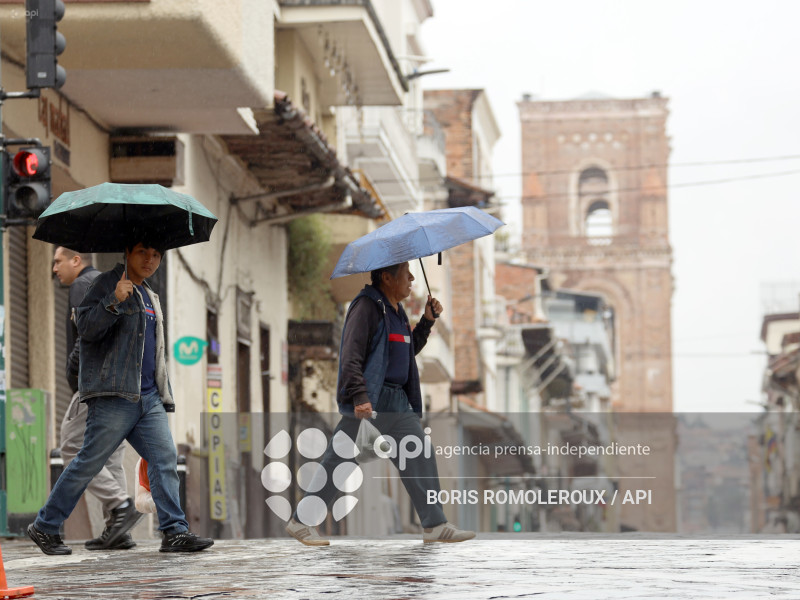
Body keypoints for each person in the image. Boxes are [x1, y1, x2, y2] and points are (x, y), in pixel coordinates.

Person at [28, 235, 214, 555]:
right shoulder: (102, 284)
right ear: (127, 252)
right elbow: (85, 329)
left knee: (164, 458)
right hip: (114, 395)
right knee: (88, 462)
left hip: (148, 398)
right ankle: (45, 526)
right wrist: (112, 301)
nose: (149, 260)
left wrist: (159, 389)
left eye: (156, 254)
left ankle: (174, 530)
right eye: (142, 252)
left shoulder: (149, 294)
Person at [286, 261, 475, 545]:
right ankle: (301, 522)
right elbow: (350, 356)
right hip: (371, 400)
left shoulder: (396, 311)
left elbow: (404, 351)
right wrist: (360, 397)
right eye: (405, 274)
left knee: (420, 452)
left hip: (398, 402)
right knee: (339, 460)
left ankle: (434, 524)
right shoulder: (366, 307)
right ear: (387, 277)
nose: (412, 278)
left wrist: (426, 322)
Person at [53, 246, 134, 551]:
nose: (55, 268)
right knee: (110, 455)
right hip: (118, 384)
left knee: (71, 446)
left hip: (93, 385)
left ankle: (120, 505)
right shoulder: (107, 284)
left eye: (59, 261)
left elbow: (85, 336)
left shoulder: (82, 286)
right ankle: (119, 530)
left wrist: (74, 374)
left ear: (77, 260)